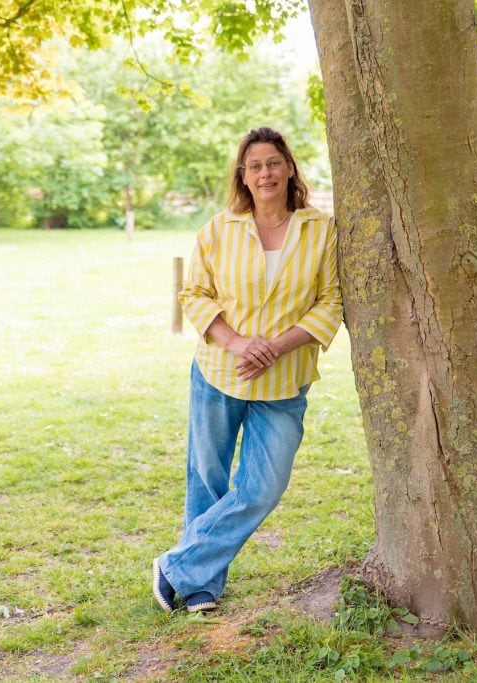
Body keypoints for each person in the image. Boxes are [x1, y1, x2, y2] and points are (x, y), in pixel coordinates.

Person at [153, 126, 343, 613]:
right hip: (219, 371)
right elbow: (194, 293)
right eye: (255, 165)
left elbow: (331, 302)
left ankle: (177, 565)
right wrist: (237, 342)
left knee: (262, 486)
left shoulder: (320, 229)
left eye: (274, 162)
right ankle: (200, 586)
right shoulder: (219, 229)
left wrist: (276, 347)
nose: (265, 172)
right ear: (243, 174)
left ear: (290, 168)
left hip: (285, 379)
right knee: (208, 479)